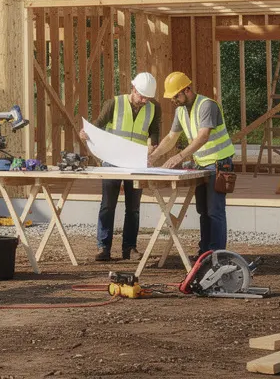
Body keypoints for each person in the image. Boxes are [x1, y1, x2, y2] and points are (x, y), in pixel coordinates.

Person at [149, 71, 235, 255]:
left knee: (214, 211)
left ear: (187, 90)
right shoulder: (181, 111)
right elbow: (171, 138)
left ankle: (217, 255)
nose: (173, 100)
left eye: (176, 96)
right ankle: (205, 252)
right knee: (203, 211)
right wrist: (153, 157)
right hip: (202, 165)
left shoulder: (207, 105)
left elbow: (203, 137)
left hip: (219, 164)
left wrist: (179, 157)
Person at [80, 72, 159, 262]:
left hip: (136, 163)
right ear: (133, 89)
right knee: (108, 205)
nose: (144, 101)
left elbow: (154, 133)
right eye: (142, 96)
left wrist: (151, 150)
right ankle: (103, 247)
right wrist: (86, 134)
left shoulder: (154, 108)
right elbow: (97, 127)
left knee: (134, 208)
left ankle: (129, 248)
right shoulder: (114, 103)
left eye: (147, 98)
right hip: (112, 161)